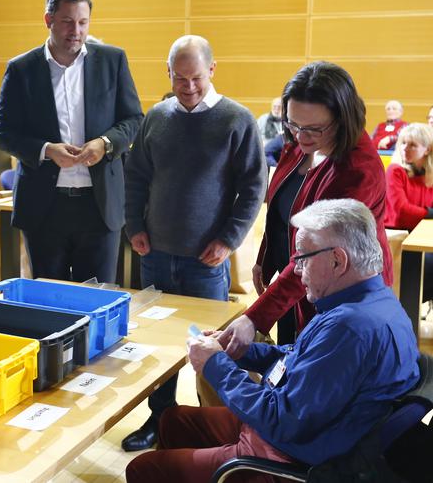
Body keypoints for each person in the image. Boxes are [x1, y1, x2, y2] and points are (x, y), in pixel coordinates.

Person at [126, 198, 420, 483]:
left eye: (302, 258)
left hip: (289, 456)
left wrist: (215, 365)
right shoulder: (370, 301)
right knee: (172, 420)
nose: (298, 270)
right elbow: (301, 357)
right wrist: (239, 352)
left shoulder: (351, 328)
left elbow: (281, 419)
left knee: (144, 468)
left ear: (337, 260)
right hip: (301, 429)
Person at [122, 35, 267, 452]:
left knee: (211, 349)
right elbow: (136, 177)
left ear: (213, 70)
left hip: (206, 260)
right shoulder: (157, 117)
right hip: (155, 255)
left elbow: (254, 187)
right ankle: (161, 421)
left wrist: (229, 239)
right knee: (154, 344)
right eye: (180, 78)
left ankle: (212, 428)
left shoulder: (237, 120)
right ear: (167, 74)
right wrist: (134, 227)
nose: (188, 87)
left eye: (197, 78)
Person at [221, 61, 394, 355]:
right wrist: (266, 258)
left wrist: (254, 318)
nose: (300, 136)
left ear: (342, 118)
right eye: (293, 124)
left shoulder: (357, 170)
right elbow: (281, 212)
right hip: (295, 283)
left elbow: (319, 254)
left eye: (313, 128)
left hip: (339, 298)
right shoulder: (300, 143)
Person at [0, 0, 142, 283]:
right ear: (48, 20)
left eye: (83, 22)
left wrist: (104, 143)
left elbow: (133, 119)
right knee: (50, 300)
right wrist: (47, 149)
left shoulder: (112, 60)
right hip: (44, 207)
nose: (76, 30)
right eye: (67, 22)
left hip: (99, 206)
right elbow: (3, 132)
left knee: (98, 298)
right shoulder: (22, 69)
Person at [385, 122, 433, 300]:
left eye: (412, 144)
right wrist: (429, 213)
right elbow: (402, 212)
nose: (405, 148)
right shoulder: (395, 170)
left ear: (427, 149)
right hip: (397, 238)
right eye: (403, 143)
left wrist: (426, 213)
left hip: (418, 236)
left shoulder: (429, 176)